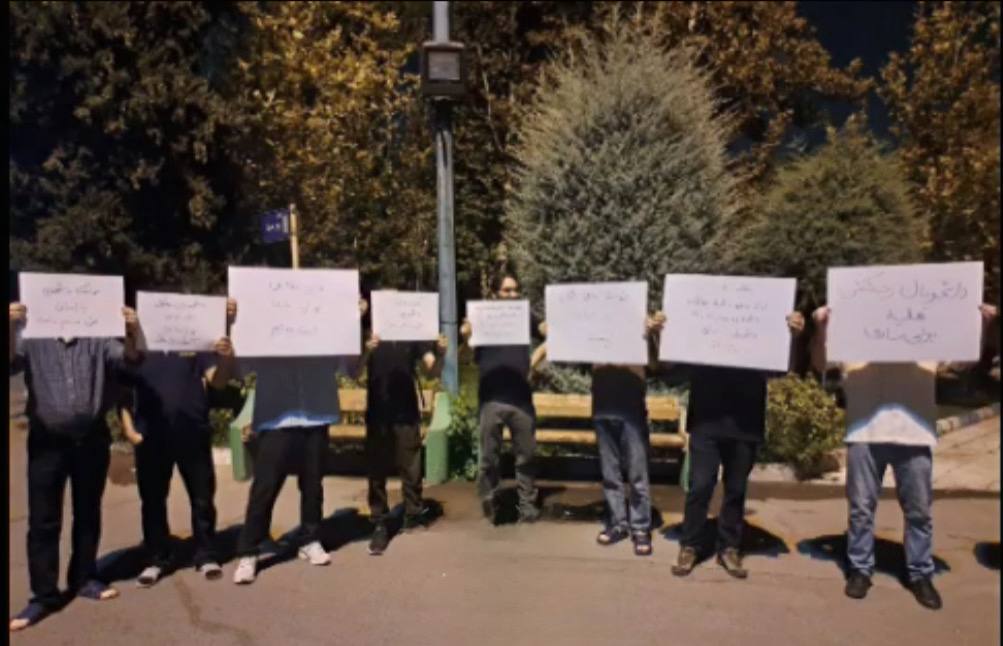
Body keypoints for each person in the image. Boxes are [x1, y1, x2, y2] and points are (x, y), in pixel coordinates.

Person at [810, 302, 998, 610]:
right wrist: (821, 328)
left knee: (919, 511)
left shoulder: (923, 330)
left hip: (914, 433)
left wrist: (984, 326)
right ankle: (860, 569)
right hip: (865, 432)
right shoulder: (853, 331)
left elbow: (963, 361)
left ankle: (920, 573)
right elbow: (820, 363)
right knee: (860, 509)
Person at [9, 300, 142, 631]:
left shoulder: (98, 337)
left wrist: (132, 331)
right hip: (47, 442)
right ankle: (43, 596)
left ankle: (84, 577)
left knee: (88, 512)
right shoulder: (32, 335)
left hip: (91, 439)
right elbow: (10, 361)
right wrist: (9, 326)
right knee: (43, 519)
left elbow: (130, 360)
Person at [232, 299, 367, 585]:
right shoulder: (267, 327)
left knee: (313, 484)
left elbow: (352, 370)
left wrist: (354, 322)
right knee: (265, 487)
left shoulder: (327, 328)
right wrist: (234, 322)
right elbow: (240, 368)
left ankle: (310, 538)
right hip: (277, 418)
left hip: (316, 414)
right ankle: (249, 551)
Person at [671, 311, 804, 579]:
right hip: (706, 419)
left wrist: (792, 337)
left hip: (745, 421)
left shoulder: (762, 320)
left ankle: (729, 547)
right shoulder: (702, 319)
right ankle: (690, 545)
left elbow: (781, 368)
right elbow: (673, 367)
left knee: (736, 489)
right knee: (700, 486)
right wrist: (665, 332)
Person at [117, 298, 239, 587]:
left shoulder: (196, 344)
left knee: (202, 496)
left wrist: (226, 357)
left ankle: (206, 553)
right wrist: (129, 430)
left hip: (193, 431)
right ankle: (157, 557)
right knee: (153, 499)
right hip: (151, 434)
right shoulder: (138, 348)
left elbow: (218, 381)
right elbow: (122, 391)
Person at [533, 308, 666, 555]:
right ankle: (618, 524)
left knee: (638, 474)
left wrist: (652, 334)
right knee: (610, 473)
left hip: (632, 411)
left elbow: (657, 364)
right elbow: (568, 345)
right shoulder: (596, 326)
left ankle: (640, 528)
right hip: (603, 408)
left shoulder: (639, 325)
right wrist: (553, 331)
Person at [461, 274, 546, 525]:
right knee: (489, 457)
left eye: (515, 290)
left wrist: (534, 359)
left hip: (521, 399)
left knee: (526, 455)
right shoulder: (482, 317)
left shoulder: (524, 315)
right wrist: (465, 336)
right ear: (495, 293)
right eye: (507, 290)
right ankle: (491, 502)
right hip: (492, 398)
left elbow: (548, 333)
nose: (512, 295)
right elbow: (465, 356)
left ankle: (527, 505)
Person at [360, 320, 447, 555]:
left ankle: (413, 513)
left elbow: (432, 370)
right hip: (378, 409)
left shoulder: (412, 331)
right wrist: (367, 350)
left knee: (410, 464)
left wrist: (440, 353)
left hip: (406, 411)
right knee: (376, 467)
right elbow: (355, 370)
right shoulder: (370, 331)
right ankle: (379, 518)